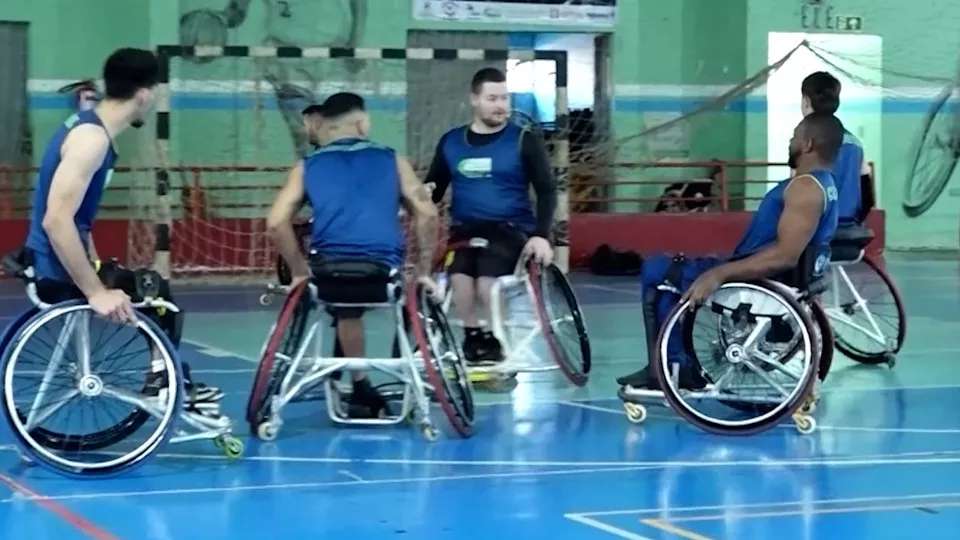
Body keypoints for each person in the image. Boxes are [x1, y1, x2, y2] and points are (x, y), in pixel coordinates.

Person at [23, 48, 221, 412]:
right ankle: (162, 381)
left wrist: (98, 265)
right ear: (144, 94)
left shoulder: (90, 128)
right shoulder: (91, 139)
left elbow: (76, 220)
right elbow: (56, 220)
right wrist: (96, 292)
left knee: (152, 288)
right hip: (53, 270)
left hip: (56, 261)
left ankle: (165, 379)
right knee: (159, 296)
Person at [617, 113, 844, 390]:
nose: (790, 141)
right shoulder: (826, 185)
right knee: (669, 273)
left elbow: (785, 256)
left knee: (656, 269)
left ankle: (665, 368)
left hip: (757, 283)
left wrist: (719, 274)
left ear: (807, 144)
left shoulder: (805, 187)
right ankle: (671, 364)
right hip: (766, 276)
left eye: (795, 136)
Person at [267, 92, 439, 418]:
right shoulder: (392, 160)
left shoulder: (307, 167)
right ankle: (400, 374)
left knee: (346, 308)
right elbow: (427, 214)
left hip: (327, 274)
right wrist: (424, 269)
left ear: (326, 126)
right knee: (403, 294)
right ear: (362, 123)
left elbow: (276, 223)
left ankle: (359, 383)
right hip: (382, 272)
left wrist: (300, 271)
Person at [425, 67, 557, 365]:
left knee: (487, 281)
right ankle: (474, 336)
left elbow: (547, 190)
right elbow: (434, 189)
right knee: (459, 276)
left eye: (504, 98)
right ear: (474, 99)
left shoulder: (524, 140)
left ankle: (497, 341)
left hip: (509, 230)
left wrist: (541, 235)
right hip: (465, 229)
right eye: (492, 98)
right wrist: (418, 196)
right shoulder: (451, 142)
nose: (500, 105)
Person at [801, 71, 874, 224]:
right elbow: (868, 196)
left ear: (806, 102)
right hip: (849, 227)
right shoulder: (855, 143)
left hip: (817, 230)